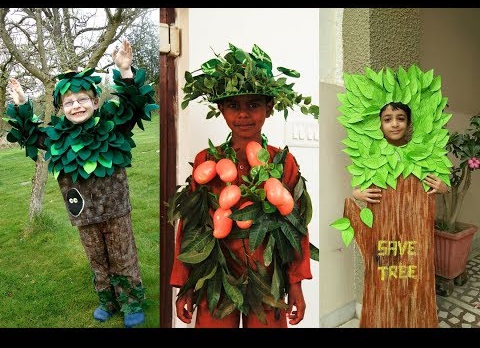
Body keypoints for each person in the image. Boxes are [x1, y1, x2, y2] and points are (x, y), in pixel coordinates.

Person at [4, 40, 158, 328]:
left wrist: (125, 70)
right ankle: (107, 300)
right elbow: (28, 134)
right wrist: (23, 103)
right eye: (69, 102)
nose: (76, 105)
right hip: (82, 213)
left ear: (95, 101)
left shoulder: (111, 125)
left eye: (82, 99)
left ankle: (132, 301)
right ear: (62, 108)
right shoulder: (56, 138)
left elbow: (134, 107)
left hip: (115, 209)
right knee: (97, 258)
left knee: (123, 255)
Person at [169, 43, 318, 328]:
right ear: (221, 109)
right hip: (217, 275)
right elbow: (191, 226)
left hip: (266, 276)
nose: (243, 115)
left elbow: (295, 224)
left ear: (269, 108)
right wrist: (186, 283)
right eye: (234, 106)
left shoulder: (281, 162)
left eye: (253, 105)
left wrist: (295, 283)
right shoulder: (207, 161)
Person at [352, 102, 449, 203]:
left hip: (414, 211)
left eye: (401, 119)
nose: (395, 124)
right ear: (379, 124)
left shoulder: (421, 152)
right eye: (387, 120)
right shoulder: (372, 152)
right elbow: (357, 189)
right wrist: (357, 194)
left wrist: (444, 189)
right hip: (381, 211)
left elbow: (437, 184)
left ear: (408, 123)